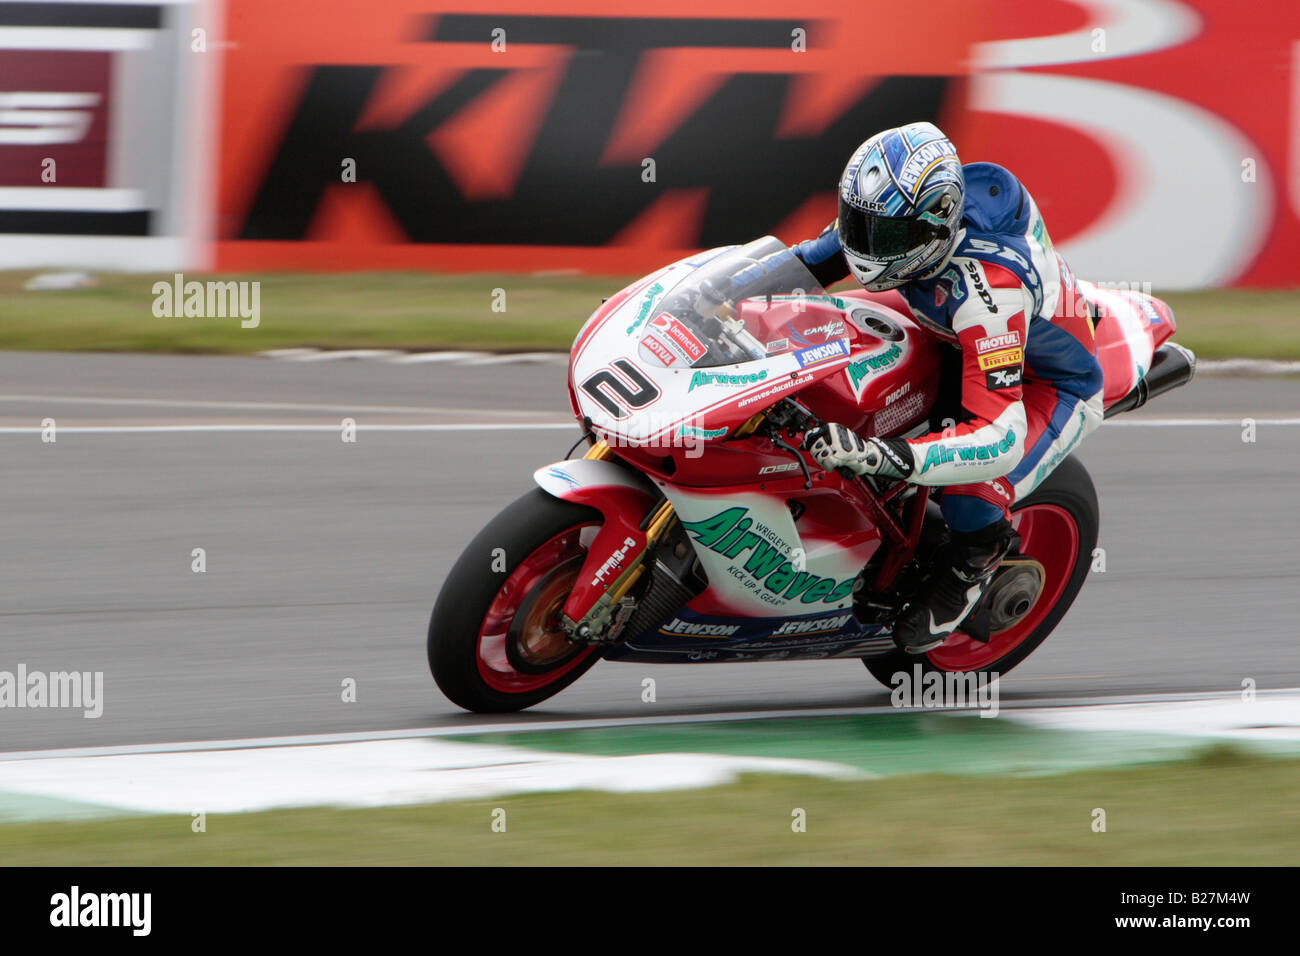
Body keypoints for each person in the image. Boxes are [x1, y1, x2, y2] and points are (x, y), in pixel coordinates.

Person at [794, 121, 1106, 654]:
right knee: (821, 332)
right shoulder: (895, 215)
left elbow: (998, 435)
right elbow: (797, 267)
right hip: (949, 332)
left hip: (1045, 383)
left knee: (974, 485)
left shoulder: (988, 296)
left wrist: (883, 454)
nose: (866, 245)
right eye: (858, 223)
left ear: (933, 230)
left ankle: (975, 558)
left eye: (883, 236)